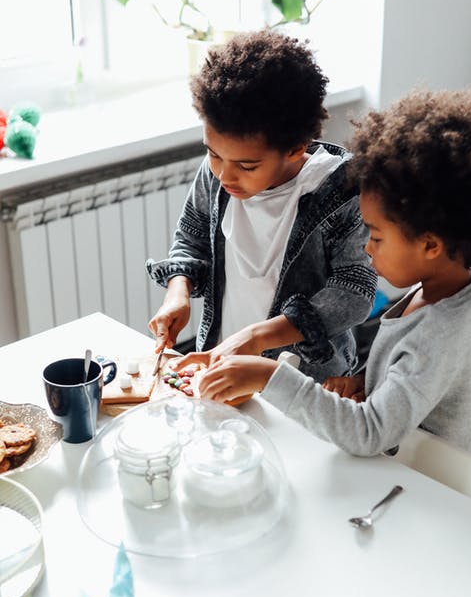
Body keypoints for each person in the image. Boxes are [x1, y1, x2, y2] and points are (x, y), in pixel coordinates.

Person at [189, 89, 471, 457]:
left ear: (430, 245)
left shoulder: (439, 334)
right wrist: (367, 383)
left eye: (377, 236)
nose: (367, 247)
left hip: (433, 483)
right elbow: (419, 385)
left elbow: (370, 434)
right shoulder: (450, 290)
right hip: (414, 466)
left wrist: (269, 376)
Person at [146, 30, 376, 382]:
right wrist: (178, 292)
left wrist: (257, 338)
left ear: (296, 148)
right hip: (222, 356)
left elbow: (354, 291)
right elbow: (190, 237)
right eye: (213, 153)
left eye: (247, 166)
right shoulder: (219, 172)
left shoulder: (342, 193)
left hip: (304, 379)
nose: (224, 175)